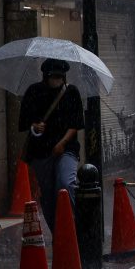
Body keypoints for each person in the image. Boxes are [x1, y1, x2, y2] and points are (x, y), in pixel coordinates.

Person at [18, 58, 85, 233]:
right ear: (45, 76)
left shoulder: (71, 92)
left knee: (65, 183)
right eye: (53, 77)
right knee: (47, 195)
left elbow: (75, 123)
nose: (57, 80)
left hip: (66, 149)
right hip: (41, 151)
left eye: (60, 77)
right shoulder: (34, 92)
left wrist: (62, 143)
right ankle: (57, 232)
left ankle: (74, 225)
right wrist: (35, 126)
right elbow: (25, 121)